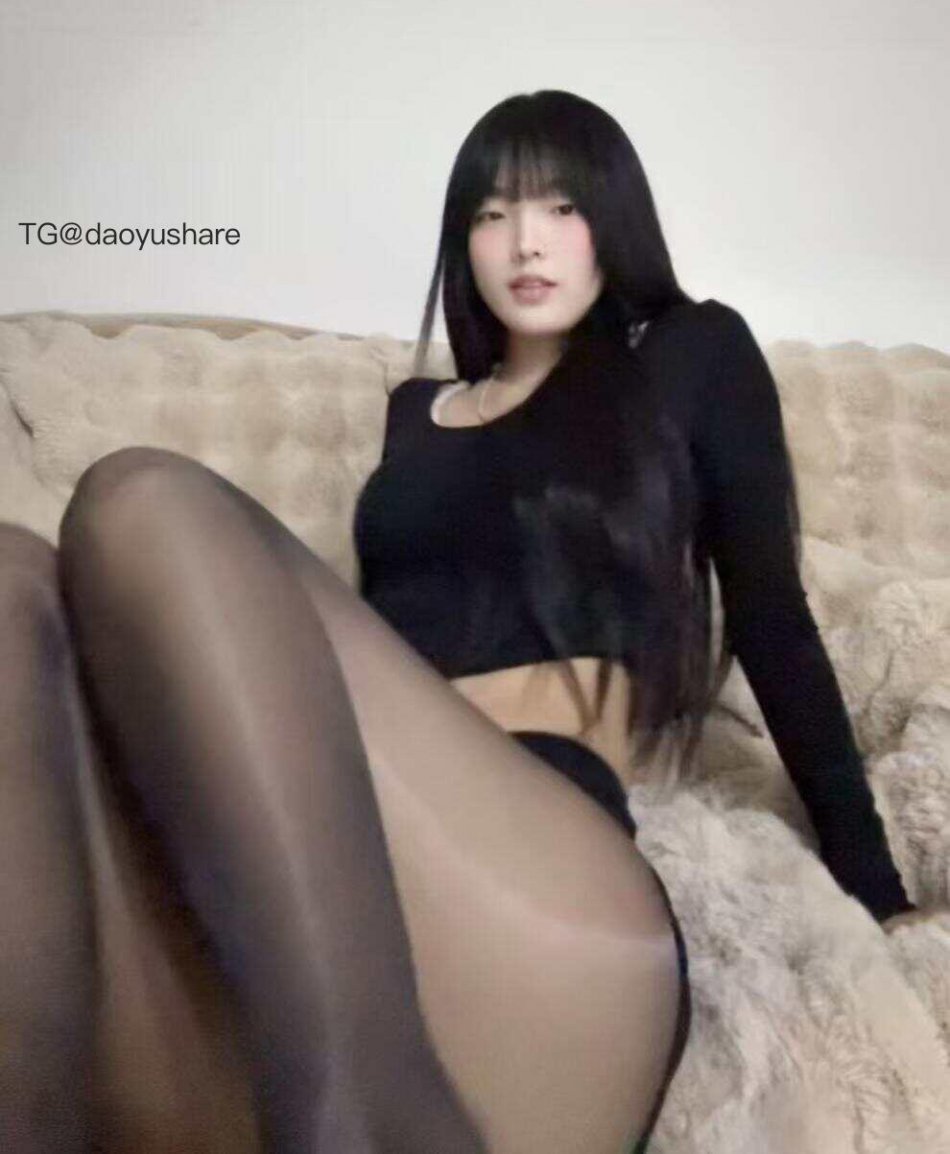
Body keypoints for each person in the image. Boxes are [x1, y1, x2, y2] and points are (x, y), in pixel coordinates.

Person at [0, 89, 917, 1154]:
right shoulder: (414, 415)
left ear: (613, 222)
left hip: (535, 911)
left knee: (143, 500)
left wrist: (877, 890)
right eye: (491, 213)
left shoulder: (687, 354)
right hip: (342, 892)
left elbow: (772, 618)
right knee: (13, 576)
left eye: (561, 207)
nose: (524, 240)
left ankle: (353, 1119)